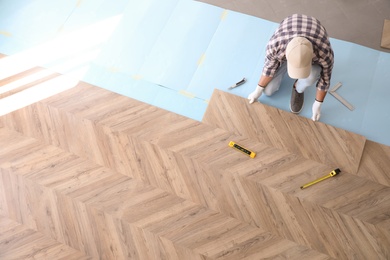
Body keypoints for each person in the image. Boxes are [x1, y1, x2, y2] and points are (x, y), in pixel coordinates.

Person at [248, 14, 334, 121]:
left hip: (314, 36)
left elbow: (325, 80)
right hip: (287, 38)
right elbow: (269, 68)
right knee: (268, 91)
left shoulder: (324, 52)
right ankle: (285, 66)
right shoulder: (275, 45)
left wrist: (318, 104)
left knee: (312, 77)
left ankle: (298, 88)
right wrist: (257, 90)